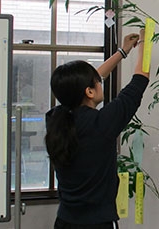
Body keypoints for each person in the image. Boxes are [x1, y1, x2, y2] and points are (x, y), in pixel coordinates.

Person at [45, 30, 150, 229]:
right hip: (98, 223)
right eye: (95, 83)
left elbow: (83, 84)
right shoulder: (102, 123)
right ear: (89, 91)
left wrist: (122, 51)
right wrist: (145, 41)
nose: (99, 81)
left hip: (65, 222)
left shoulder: (54, 119)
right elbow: (140, 80)